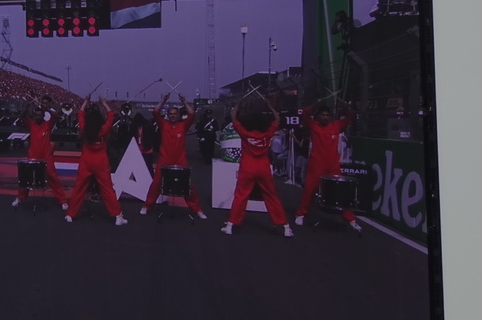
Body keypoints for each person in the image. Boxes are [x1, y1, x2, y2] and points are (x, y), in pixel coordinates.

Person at [220, 97, 292, 237]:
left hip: (247, 168)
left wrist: (238, 104)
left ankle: (230, 225)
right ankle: (285, 227)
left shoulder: (244, 133)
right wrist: (270, 105)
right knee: (271, 197)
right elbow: (277, 119)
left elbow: (233, 117)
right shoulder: (267, 133)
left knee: (241, 196)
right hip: (263, 168)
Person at [293, 102, 362, 232]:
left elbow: (350, 116)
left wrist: (346, 107)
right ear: (318, 116)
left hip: (333, 166)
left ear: (331, 117)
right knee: (309, 190)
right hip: (316, 165)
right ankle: (301, 214)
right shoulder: (313, 126)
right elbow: (305, 113)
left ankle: (351, 219)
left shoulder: (337, 126)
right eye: (322, 115)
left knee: (342, 192)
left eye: (327, 115)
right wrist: (316, 104)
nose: (325, 117)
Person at [139, 92, 206, 219]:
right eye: (170, 114)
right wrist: (163, 100)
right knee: (157, 183)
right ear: (167, 115)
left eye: (175, 114)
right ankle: (147, 206)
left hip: (180, 159)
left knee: (188, 185)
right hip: (165, 159)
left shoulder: (183, 125)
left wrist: (184, 101)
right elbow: (155, 111)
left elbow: (192, 114)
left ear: (179, 115)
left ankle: (197, 210)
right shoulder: (163, 124)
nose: (173, 116)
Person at [64, 95, 128, 226]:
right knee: (108, 190)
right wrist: (104, 102)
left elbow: (80, 114)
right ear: (99, 119)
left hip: (86, 162)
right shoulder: (103, 130)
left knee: (79, 189)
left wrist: (85, 101)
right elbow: (111, 115)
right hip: (101, 163)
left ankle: (70, 214)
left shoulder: (84, 129)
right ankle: (117, 216)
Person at [12, 95, 68, 211]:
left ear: (43, 116)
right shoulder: (31, 124)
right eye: (36, 115)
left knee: (53, 177)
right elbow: (21, 116)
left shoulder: (48, 124)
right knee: (26, 176)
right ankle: (20, 197)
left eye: (40, 115)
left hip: (46, 155)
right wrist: (28, 106)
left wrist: (45, 108)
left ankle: (62, 200)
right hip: (33, 154)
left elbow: (56, 116)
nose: (38, 117)